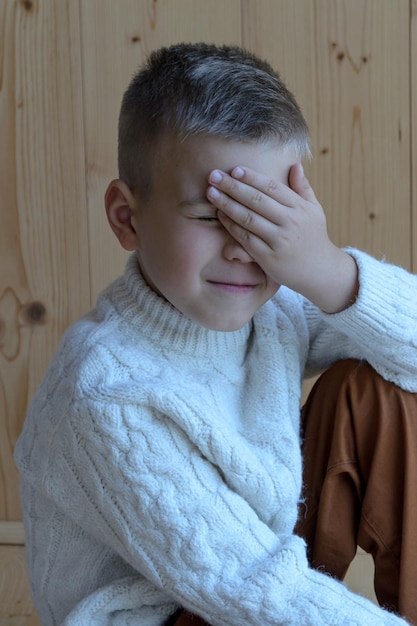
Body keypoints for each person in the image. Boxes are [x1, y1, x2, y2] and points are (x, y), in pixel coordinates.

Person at [14, 42, 417, 626]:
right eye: (209, 218)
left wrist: (328, 270)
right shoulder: (105, 393)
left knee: (382, 397)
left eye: (266, 220)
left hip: (249, 563)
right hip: (181, 607)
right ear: (127, 219)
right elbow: (250, 588)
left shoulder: (272, 306)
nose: (242, 248)